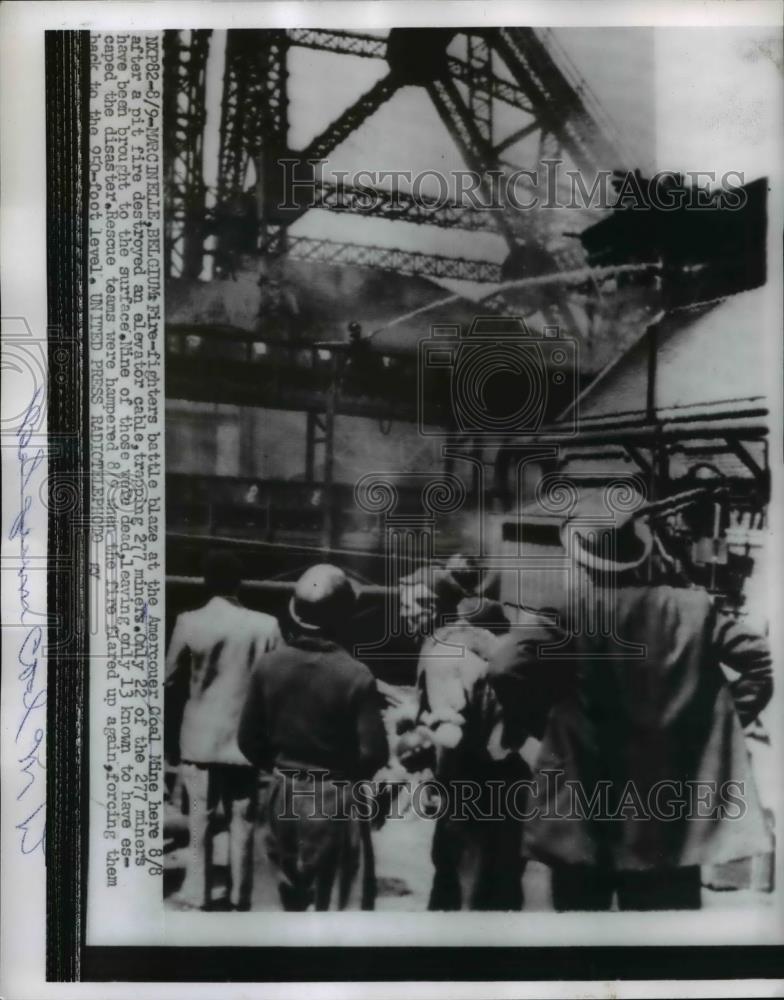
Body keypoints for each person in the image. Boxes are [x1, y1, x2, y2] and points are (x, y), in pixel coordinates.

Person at [488, 488, 773, 911]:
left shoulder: (570, 614)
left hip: (585, 807)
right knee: (661, 949)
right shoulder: (694, 608)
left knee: (583, 949)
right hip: (670, 813)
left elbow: (504, 666)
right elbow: (762, 663)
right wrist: (714, 720)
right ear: (639, 553)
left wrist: (541, 722)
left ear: (581, 559)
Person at [238, 564, 389, 911]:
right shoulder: (356, 675)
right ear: (345, 617)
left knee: (274, 909)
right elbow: (374, 753)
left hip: (280, 793)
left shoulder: (268, 666)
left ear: (295, 612)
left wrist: (281, 767)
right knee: (337, 909)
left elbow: (248, 741)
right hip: (335, 798)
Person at [397, 556, 531, 911]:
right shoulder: (488, 641)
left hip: (470, 792)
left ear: (433, 606)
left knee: (460, 897)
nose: (403, 615)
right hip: (508, 783)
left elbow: (451, 735)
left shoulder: (444, 653)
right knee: (499, 896)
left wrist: (427, 773)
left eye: (409, 606)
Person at [164, 551, 282, 910]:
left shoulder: (189, 621)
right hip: (245, 741)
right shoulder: (267, 625)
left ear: (205, 581)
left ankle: (197, 894)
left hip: (199, 737)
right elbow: (279, 680)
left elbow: (167, 678)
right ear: (239, 582)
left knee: (199, 820)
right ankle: (239, 896)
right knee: (242, 822)